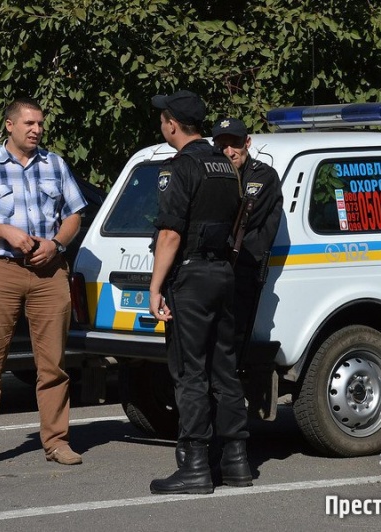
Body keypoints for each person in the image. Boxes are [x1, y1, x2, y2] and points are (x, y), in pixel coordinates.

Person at [0, 97, 88, 470]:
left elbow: (75, 214)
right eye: (29, 123)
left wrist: (57, 243)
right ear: (9, 126)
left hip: (49, 272)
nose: (36, 130)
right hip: (1, 270)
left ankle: (57, 441)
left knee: (53, 363)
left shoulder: (55, 164)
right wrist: (5, 232)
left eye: (40, 124)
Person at [148, 90, 252, 495]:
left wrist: (155, 287)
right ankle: (236, 460)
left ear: (172, 124)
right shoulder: (226, 165)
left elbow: (171, 233)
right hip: (222, 274)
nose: (162, 125)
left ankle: (194, 466)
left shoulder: (183, 167)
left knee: (190, 372)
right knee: (223, 368)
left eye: (163, 119)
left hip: (190, 277)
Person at [211, 117, 283, 363]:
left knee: (234, 343)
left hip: (244, 268)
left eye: (235, 144)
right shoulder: (213, 174)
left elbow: (242, 220)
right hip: (216, 268)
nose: (229, 152)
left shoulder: (263, 175)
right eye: (222, 146)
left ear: (247, 143)